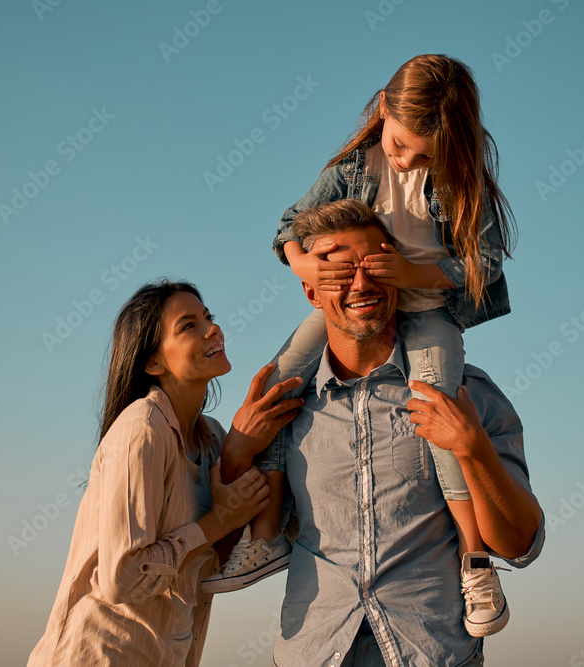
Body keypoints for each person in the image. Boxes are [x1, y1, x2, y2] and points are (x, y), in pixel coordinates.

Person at [202, 53, 518, 637]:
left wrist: (411, 275)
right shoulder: (355, 167)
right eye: (401, 144)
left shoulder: (462, 180)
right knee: (278, 387)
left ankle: (476, 561)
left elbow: (488, 266)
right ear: (383, 111)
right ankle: (267, 537)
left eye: (424, 156)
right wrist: (310, 270)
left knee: (438, 407)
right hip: (358, 301)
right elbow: (289, 229)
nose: (406, 160)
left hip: (429, 309)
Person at [217, 202, 545, 665]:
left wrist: (473, 451)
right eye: (340, 271)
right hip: (313, 650)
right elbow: (224, 550)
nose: (361, 283)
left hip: (435, 652)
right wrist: (235, 452)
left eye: (375, 265)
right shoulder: (285, 411)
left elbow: (520, 545)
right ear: (311, 291)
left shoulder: (464, 395)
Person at [26, 280, 302, 667]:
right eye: (188, 325)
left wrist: (241, 448)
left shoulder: (212, 441)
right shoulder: (143, 428)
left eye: (208, 317)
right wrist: (217, 520)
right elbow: (122, 578)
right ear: (153, 362)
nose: (212, 329)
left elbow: (226, 556)